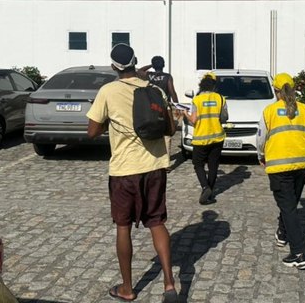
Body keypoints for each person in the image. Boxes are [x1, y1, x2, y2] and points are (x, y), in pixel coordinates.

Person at [86, 43, 178, 303]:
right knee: (157, 222)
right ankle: (169, 284)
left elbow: (91, 132)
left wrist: (111, 122)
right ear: (136, 62)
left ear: (114, 66)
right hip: (155, 166)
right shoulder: (155, 90)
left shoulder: (108, 91)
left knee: (123, 226)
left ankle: (127, 288)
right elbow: (170, 129)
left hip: (125, 170)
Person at [256, 73, 305, 270]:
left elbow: (260, 138)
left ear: (276, 91)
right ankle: (282, 234)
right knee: (290, 205)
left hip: (279, 166)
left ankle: (299, 253)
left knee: (289, 208)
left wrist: (260, 155)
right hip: (302, 165)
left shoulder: (270, 111)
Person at [183, 72, 228, 205]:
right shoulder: (220, 98)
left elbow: (193, 120)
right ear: (214, 84)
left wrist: (185, 113)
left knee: (198, 164)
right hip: (217, 137)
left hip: (201, 138)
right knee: (213, 165)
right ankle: (210, 192)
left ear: (202, 84)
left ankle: (205, 187)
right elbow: (224, 118)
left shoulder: (197, 99)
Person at [139, 56, 179, 157]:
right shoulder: (167, 77)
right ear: (164, 65)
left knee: (152, 129)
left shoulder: (148, 75)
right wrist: (177, 106)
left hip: (150, 106)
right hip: (164, 107)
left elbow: (139, 70)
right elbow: (172, 92)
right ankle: (166, 160)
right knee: (166, 132)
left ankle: (152, 155)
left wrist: (152, 65)